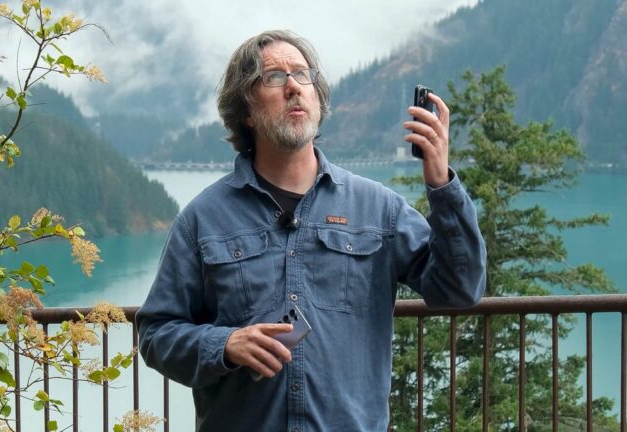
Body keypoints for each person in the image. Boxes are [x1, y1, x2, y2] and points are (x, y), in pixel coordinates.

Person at [136, 30, 486, 432]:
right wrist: (225, 345)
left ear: (317, 98)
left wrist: (441, 184)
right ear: (246, 110)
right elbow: (157, 334)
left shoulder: (378, 209)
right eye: (273, 77)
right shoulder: (202, 219)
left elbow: (459, 289)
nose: (293, 87)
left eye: (303, 75)